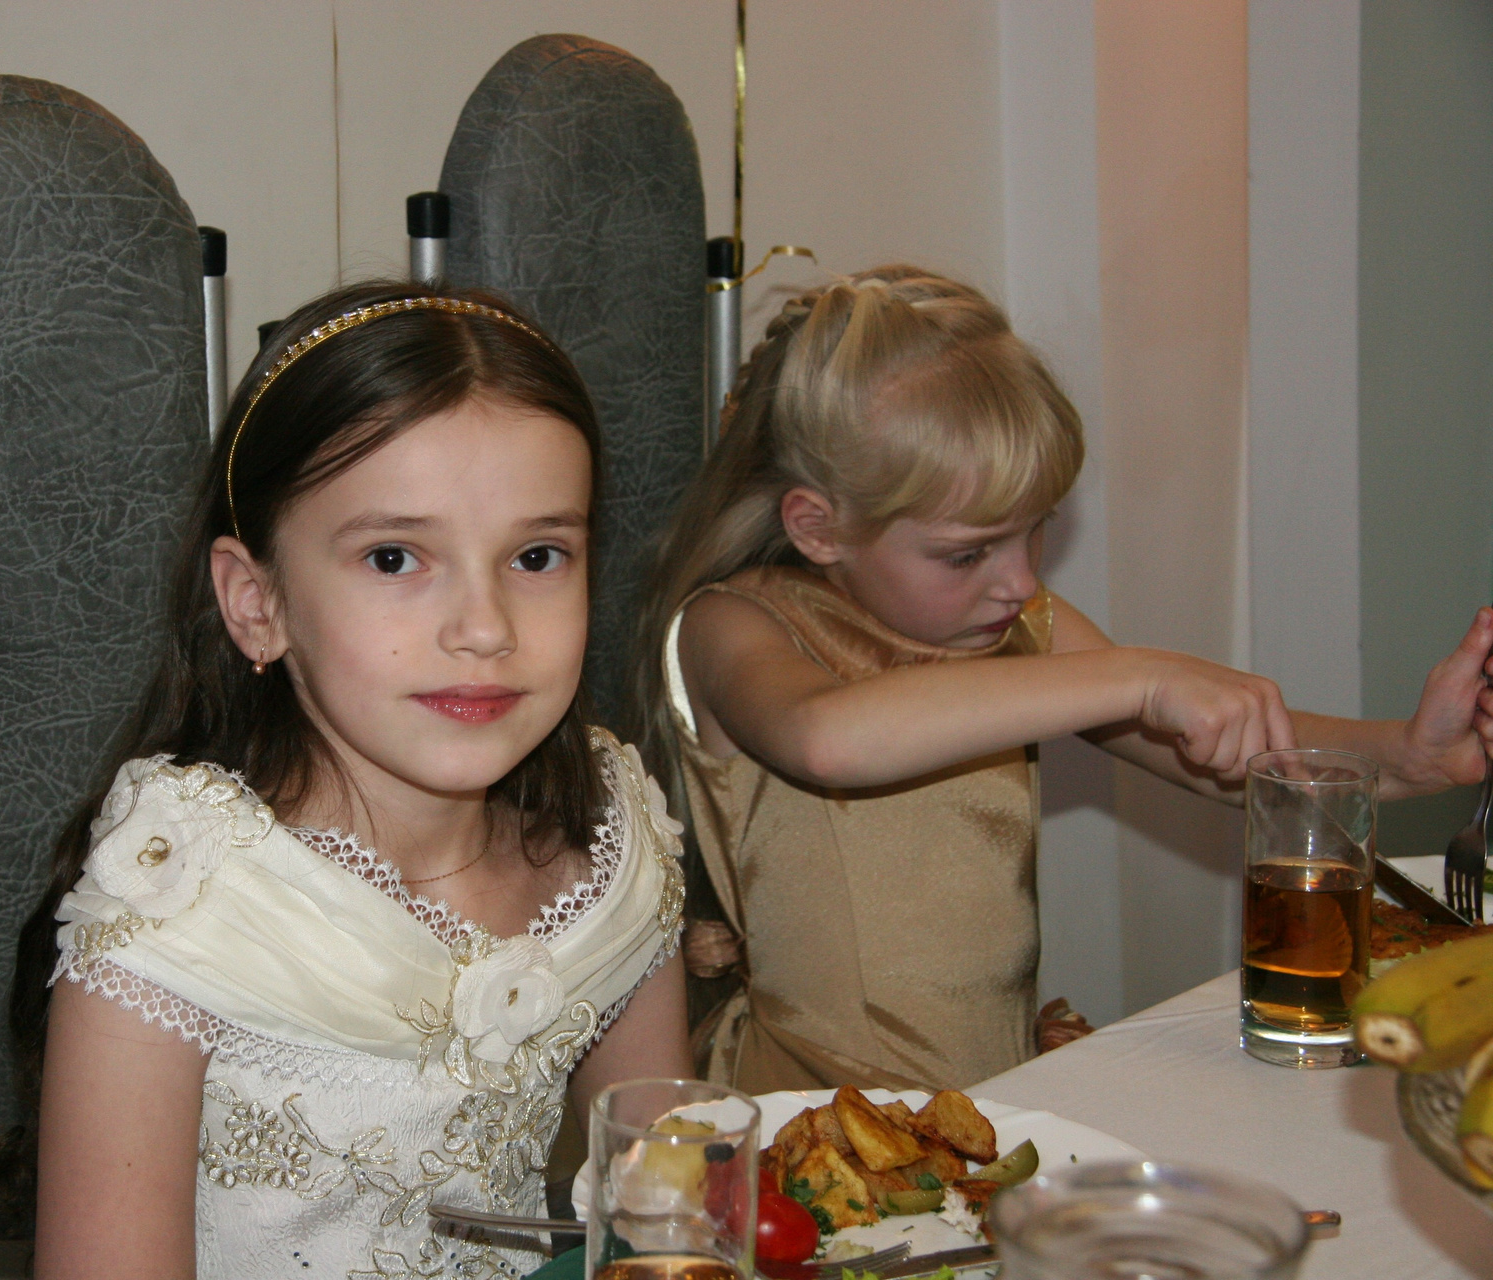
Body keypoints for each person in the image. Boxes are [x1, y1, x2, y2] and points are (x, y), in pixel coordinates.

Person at [636, 266, 1493, 1098]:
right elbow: (829, 738)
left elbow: (1226, 754)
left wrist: (1409, 757)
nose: (1018, 583)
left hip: (993, 1104)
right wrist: (1141, 674)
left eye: (1033, 531)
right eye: (967, 554)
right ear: (819, 528)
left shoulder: (1013, 623)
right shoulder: (732, 625)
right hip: (801, 1115)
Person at [3, 282, 691, 1279]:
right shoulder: (177, 914)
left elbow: (669, 1222)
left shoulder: (607, 855)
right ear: (258, 603)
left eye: (537, 555)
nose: (485, 627)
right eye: (395, 557)